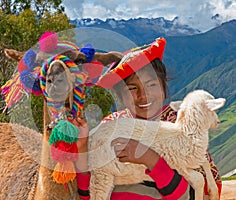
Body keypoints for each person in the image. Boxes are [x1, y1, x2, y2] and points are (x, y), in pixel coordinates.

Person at [73, 37, 222, 200]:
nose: (143, 96)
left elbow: (204, 192)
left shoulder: (184, 128)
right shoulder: (111, 128)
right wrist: (82, 148)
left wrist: (150, 159)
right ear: (120, 95)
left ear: (163, 85)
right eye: (132, 88)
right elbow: (88, 191)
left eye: (151, 85)